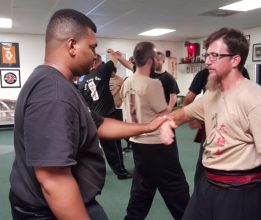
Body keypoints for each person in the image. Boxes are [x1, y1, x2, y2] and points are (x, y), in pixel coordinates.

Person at [9, 9, 168, 220]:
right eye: (92, 47)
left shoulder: (60, 85)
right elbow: (53, 182)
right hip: (47, 211)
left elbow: (99, 124)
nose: (95, 55)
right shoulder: (53, 93)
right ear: (72, 45)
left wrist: (147, 127)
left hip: (73, 199)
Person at [160, 28, 261, 220]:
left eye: (215, 55)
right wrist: (169, 122)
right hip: (207, 184)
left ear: (235, 60)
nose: (207, 61)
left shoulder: (254, 99)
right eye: (207, 55)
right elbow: (185, 112)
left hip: (240, 191)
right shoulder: (212, 93)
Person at [121, 41, 190, 220]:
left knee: (142, 191)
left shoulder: (127, 82)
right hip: (157, 145)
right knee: (177, 189)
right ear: (151, 60)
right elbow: (164, 114)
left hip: (137, 144)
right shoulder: (152, 84)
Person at [184, 67, 250, 186]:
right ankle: (203, 193)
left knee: (217, 160)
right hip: (216, 126)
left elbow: (189, 98)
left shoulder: (241, 71)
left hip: (229, 126)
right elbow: (189, 98)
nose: (210, 61)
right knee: (208, 161)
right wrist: (192, 118)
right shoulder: (204, 74)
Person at [79, 53, 132, 180]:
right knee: (114, 146)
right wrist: (114, 54)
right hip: (107, 118)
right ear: (95, 61)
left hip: (95, 119)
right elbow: (113, 60)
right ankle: (121, 172)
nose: (102, 63)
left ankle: (117, 169)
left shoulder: (83, 82)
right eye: (100, 61)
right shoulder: (101, 72)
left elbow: (83, 103)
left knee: (108, 148)